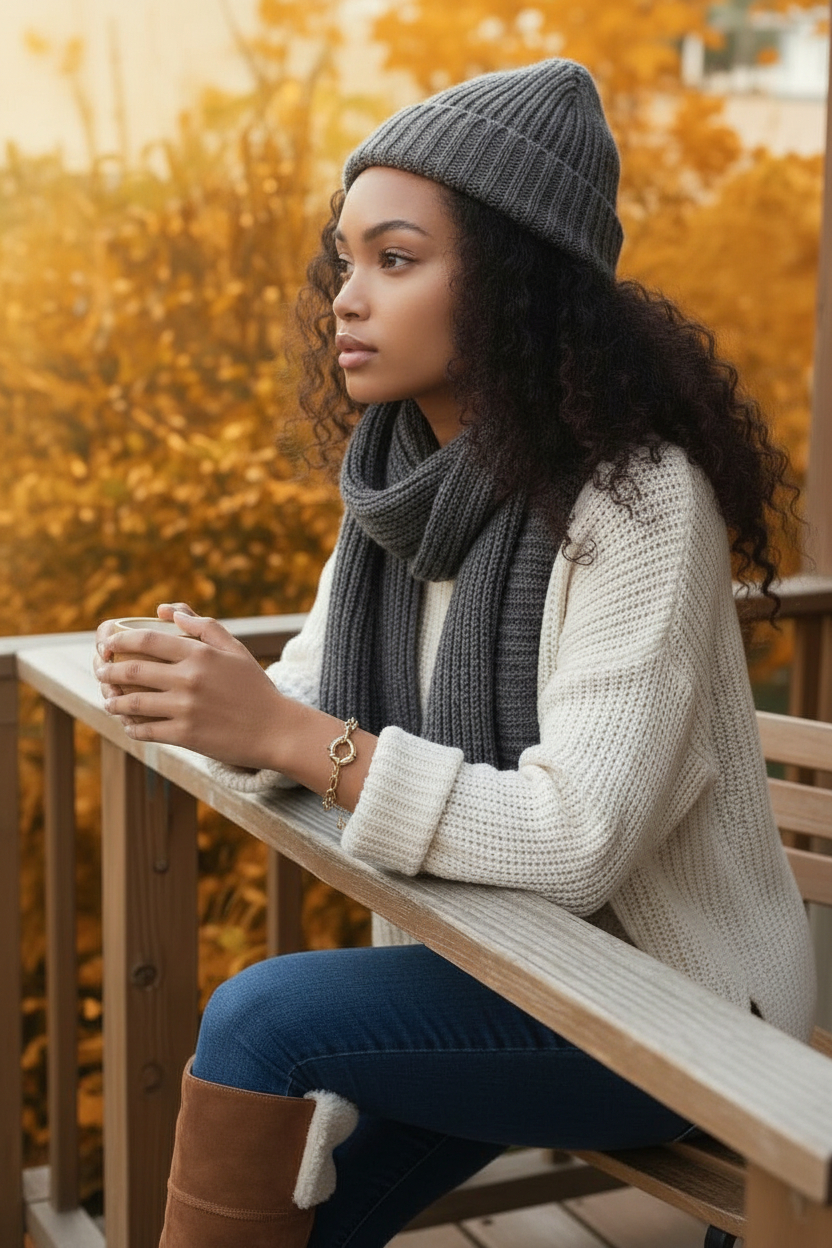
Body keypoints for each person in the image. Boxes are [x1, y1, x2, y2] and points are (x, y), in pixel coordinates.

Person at [93, 58, 816, 1248]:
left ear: (513, 286)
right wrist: (211, 697)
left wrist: (286, 736)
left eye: (395, 258)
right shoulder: (393, 498)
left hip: (680, 1009)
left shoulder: (638, 502)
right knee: (294, 1220)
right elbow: (307, 713)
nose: (345, 297)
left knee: (263, 1020)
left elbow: (575, 837)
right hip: (502, 968)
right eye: (345, 260)